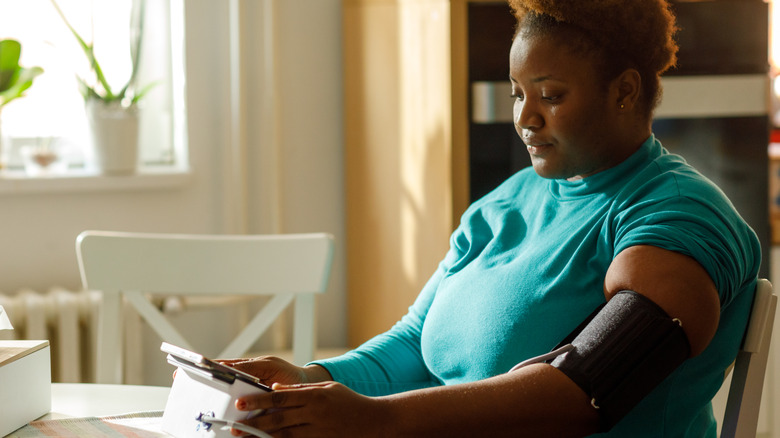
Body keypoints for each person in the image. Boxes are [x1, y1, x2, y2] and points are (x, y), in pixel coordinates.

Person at [221, 0, 761, 436]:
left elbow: (589, 389)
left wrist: (375, 419)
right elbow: (414, 343)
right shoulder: (506, 202)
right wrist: (306, 381)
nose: (525, 119)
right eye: (517, 94)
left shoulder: (678, 214)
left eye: (550, 95)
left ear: (624, 90)